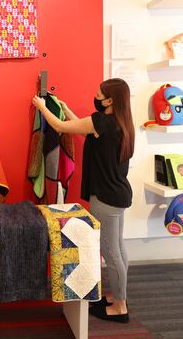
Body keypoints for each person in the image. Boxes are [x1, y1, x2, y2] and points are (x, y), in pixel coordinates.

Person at [32, 78, 134, 323]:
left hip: (106, 199)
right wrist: (66, 109)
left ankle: (120, 307)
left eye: (99, 94)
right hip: (119, 194)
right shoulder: (120, 122)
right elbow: (84, 126)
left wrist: (41, 106)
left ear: (109, 100)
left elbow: (60, 126)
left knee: (110, 253)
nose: (95, 97)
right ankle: (119, 296)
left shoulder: (102, 122)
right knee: (118, 248)